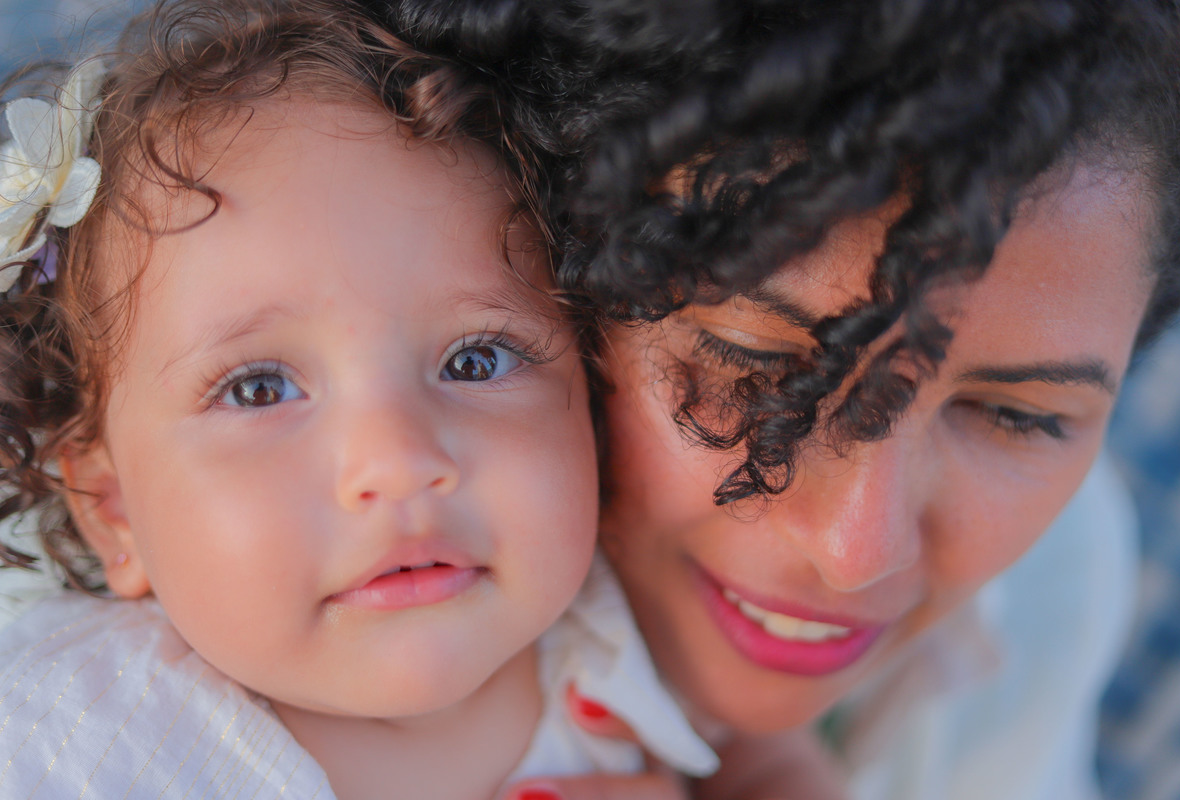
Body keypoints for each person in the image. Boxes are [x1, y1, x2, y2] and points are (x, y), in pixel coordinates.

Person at [365, 2, 1180, 798]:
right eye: (755, 363)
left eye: (1019, 417)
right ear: (544, 242)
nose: (856, 551)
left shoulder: (1050, 583)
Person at [0, 1, 720, 797]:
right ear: (113, 509)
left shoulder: (629, 624)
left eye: (476, 360)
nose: (398, 461)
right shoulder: (75, 738)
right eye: (260, 388)